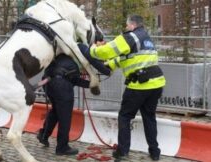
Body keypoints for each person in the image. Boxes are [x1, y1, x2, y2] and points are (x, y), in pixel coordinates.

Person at [90, 14, 166, 161]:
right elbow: (127, 58)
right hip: (156, 84)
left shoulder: (130, 36)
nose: (126, 28)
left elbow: (106, 51)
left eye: (126, 25)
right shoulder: (146, 39)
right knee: (149, 117)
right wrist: (109, 65)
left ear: (132, 25)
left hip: (139, 86)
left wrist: (93, 49)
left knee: (125, 116)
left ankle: (122, 151)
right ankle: (155, 152)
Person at [37, 43, 111, 155]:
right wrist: (104, 73)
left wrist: (90, 84)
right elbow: (92, 66)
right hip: (61, 84)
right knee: (65, 117)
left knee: (56, 111)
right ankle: (62, 148)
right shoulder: (82, 50)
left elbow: (73, 79)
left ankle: (43, 135)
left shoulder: (67, 52)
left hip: (47, 81)